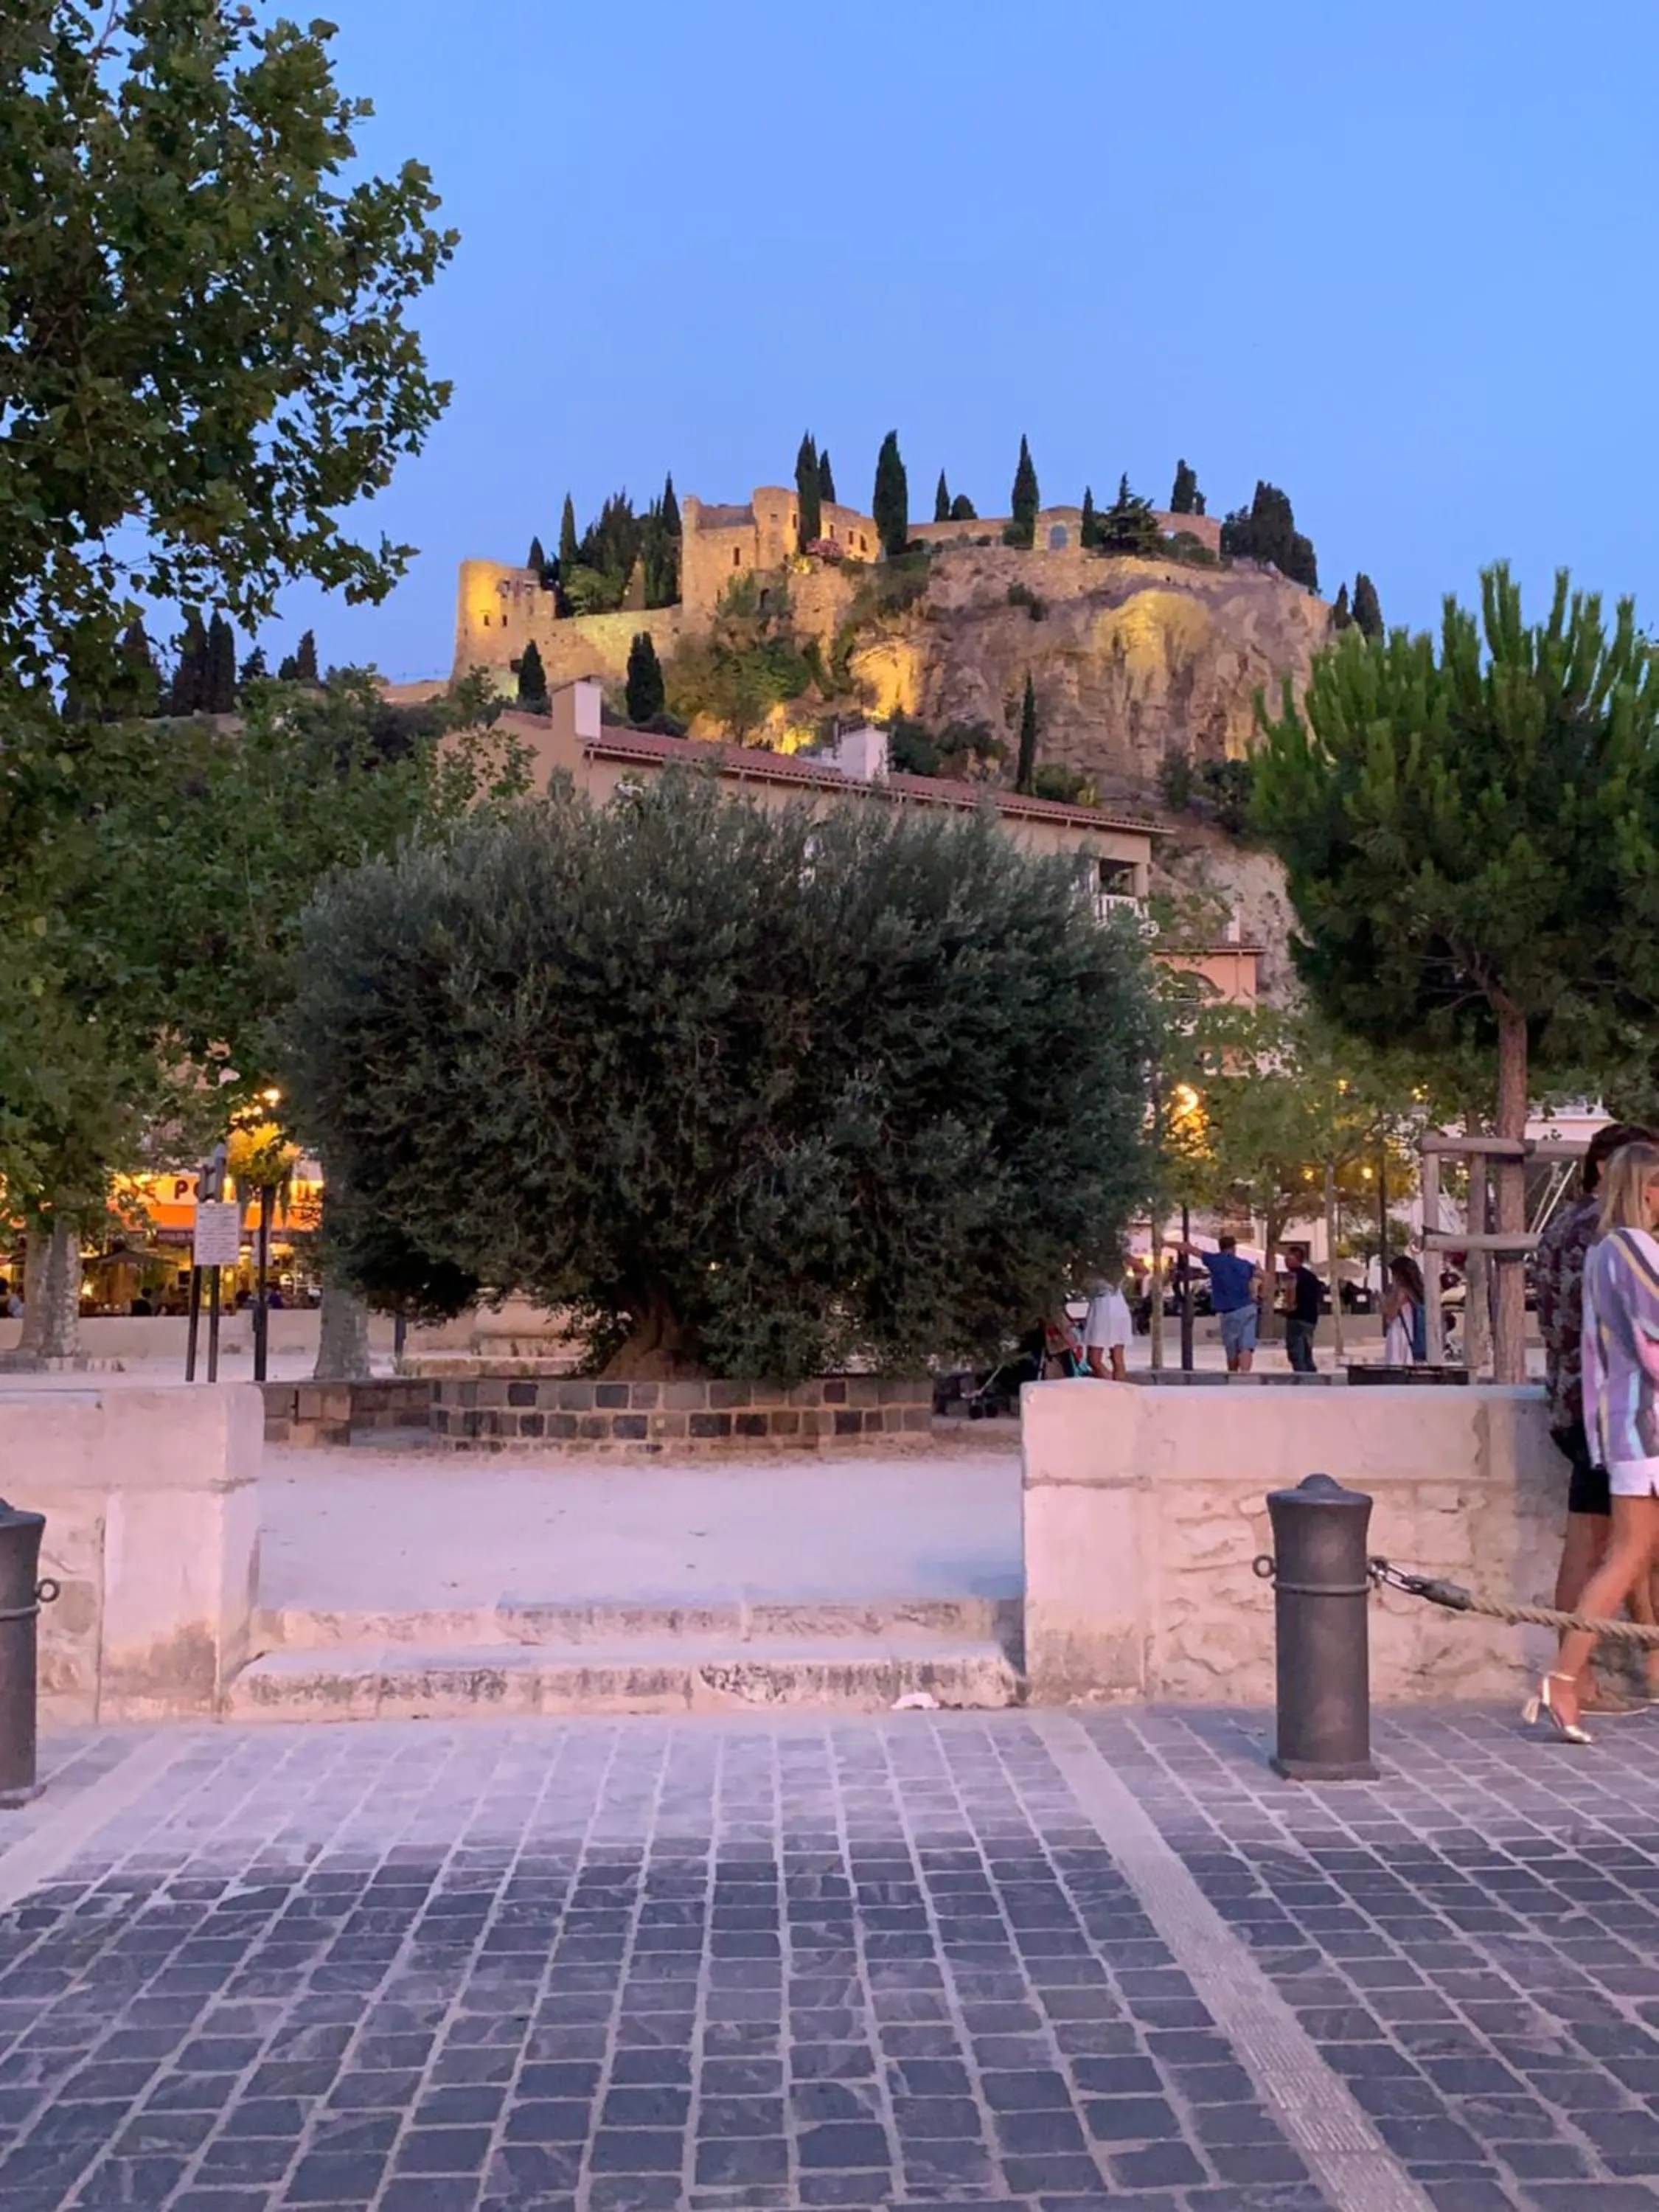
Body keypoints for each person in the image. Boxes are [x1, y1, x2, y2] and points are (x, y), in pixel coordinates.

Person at [1528, 1139, 1659, 1742]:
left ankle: (1566, 1678)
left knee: (1625, 1555)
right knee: (1626, 1556)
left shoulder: (1609, 1249)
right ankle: (1564, 1677)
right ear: (1646, 1190)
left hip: (1625, 1423)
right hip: (1642, 1426)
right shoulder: (1632, 1250)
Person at [1175, 1234, 1263, 1373]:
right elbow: (1265, 1276)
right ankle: (1246, 1375)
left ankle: (1233, 1374)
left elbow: (1189, 1249)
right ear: (1234, 1248)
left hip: (1229, 1312)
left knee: (1232, 1349)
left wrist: (1164, 1243)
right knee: (1246, 1347)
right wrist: (1260, 1294)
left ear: (1220, 1247)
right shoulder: (1244, 1264)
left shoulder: (1214, 1260)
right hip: (1248, 1308)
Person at [1281, 1245, 1324, 1373]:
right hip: (1310, 1318)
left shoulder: (1293, 1275)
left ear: (1297, 1259)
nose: (1286, 1261)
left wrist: (1289, 1307)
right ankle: (1311, 1375)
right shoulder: (1312, 1277)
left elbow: (1291, 1291)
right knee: (1307, 1351)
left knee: (1296, 1352)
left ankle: (1302, 1377)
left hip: (1297, 1317)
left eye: (1288, 1258)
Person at [1082, 1274, 1133, 1382]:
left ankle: (1115, 1387)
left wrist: (1122, 1282)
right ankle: (1116, 1386)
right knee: (1111, 1358)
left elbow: (1142, 1270)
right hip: (1106, 1304)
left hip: (1106, 1305)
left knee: (1103, 1358)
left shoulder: (1113, 1265)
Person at [1381, 1254, 1427, 1366]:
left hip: (1399, 1331)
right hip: (1410, 1332)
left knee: (1397, 1362)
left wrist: (1382, 1300)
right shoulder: (1415, 1292)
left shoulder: (1401, 1292)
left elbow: (1391, 1314)